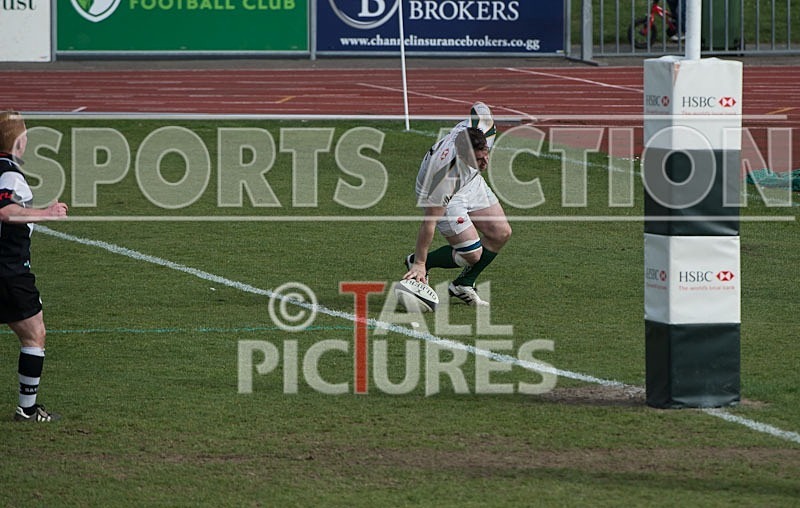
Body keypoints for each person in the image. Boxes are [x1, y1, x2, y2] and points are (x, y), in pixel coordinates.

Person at [403, 102, 511, 307]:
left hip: (470, 181)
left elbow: (479, 107)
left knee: (501, 233)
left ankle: (463, 284)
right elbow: (429, 223)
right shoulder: (444, 178)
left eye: (486, 154)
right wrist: (420, 262)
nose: (485, 163)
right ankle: (418, 262)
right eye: (479, 159)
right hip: (445, 193)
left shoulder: (485, 129)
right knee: (472, 254)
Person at [0, 110, 68, 422]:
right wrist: (48, 213)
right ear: (19, 141)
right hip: (9, 269)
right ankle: (26, 409)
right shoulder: (9, 174)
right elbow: (6, 211)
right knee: (34, 334)